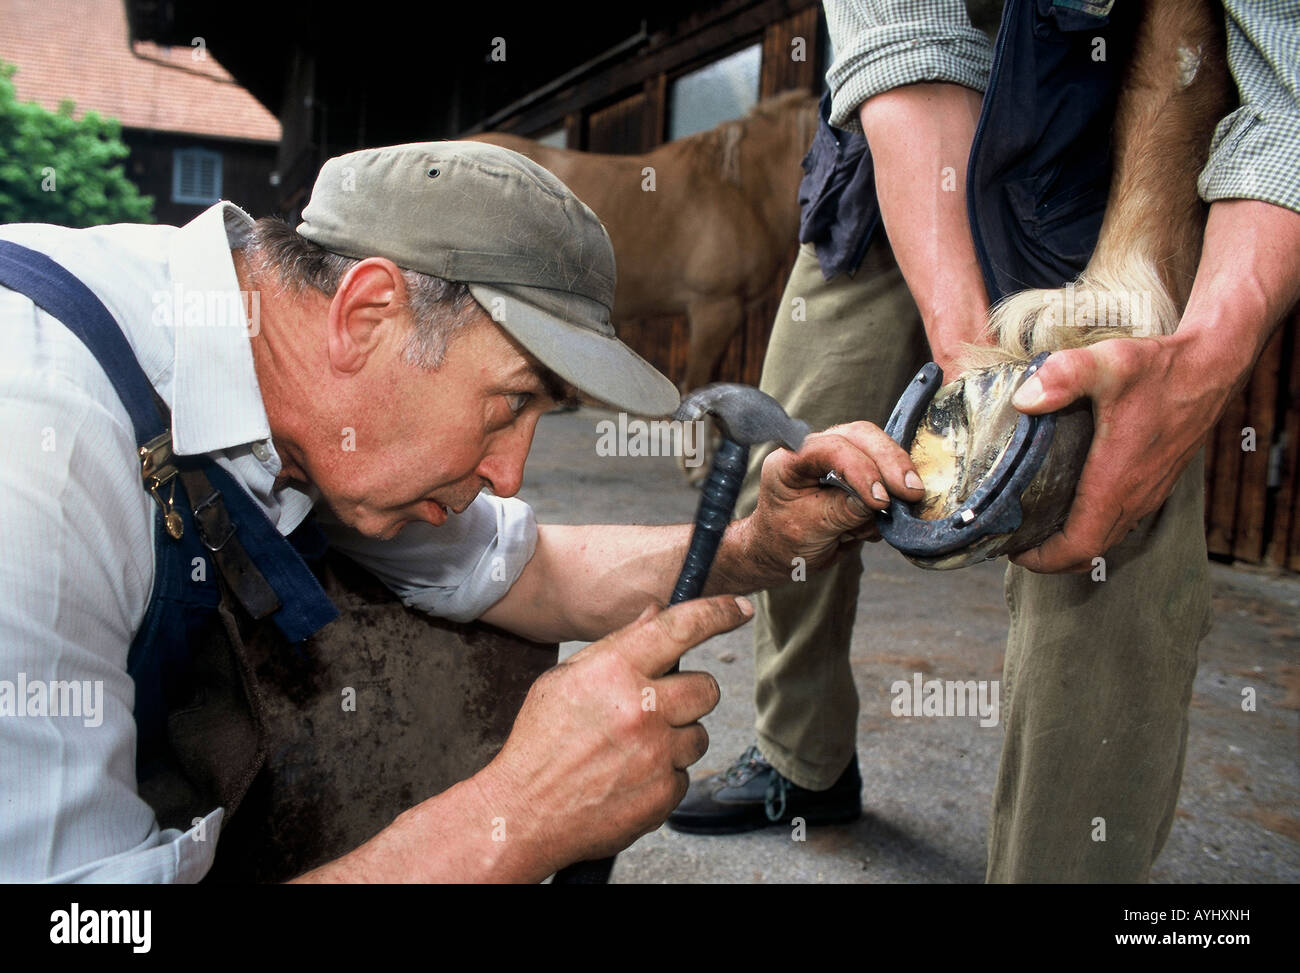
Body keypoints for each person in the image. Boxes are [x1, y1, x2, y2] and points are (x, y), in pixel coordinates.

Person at [0, 140, 924, 883]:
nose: (513, 472)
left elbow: (528, 572)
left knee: (465, 645)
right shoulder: (41, 449)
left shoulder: (288, 374)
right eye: (510, 401)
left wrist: (763, 545)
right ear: (366, 315)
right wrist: (510, 821)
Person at [669, 0, 1300, 882]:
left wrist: (1199, 360)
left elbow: (1290, 96)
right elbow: (902, 35)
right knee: (805, 439)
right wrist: (972, 370)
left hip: (1122, 131)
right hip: (906, 120)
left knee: (1102, 503)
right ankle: (800, 755)